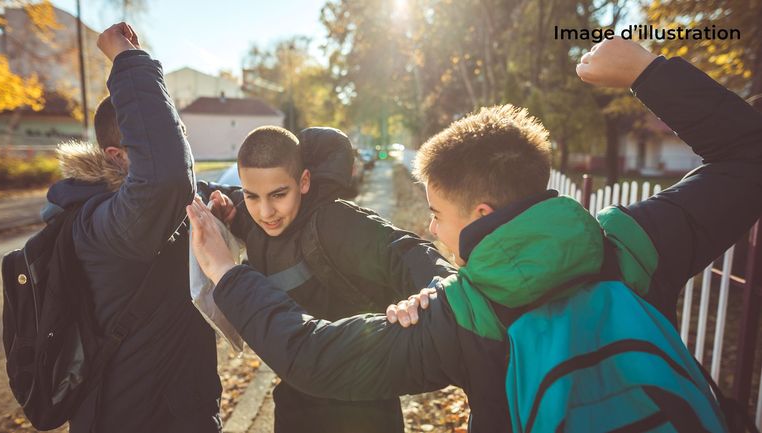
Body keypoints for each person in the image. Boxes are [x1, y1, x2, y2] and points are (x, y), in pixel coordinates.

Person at [189, 38, 762, 432]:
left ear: (483, 212)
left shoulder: (463, 318)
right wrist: (647, 70)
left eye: (437, 211)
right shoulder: (632, 245)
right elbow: (749, 156)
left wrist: (225, 273)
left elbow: (313, 356)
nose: (430, 225)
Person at [201, 125, 455, 433]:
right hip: (296, 403)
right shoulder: (249, 217)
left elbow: (405, 251)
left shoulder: (335, 222)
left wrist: (437, 289)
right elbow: (197, 192)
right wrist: (228, 211)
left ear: (304, 181)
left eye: (278, 195)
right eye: (252, 196)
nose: (265, 211)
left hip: (362, 409)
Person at [46, 23, 221, 433]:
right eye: (149, 143)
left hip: (183, 412)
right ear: (116, 155)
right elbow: (166, 174)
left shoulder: (150, 209)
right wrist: (127, 58)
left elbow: (187, 180)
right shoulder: (102, 222)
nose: (175, 145)